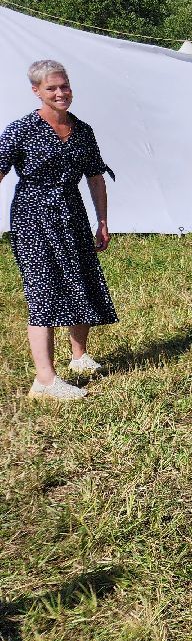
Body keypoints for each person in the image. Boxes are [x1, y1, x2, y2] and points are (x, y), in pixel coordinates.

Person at [0, 60, 117, 400]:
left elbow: (95, 176)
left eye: (64, 86)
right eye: (51, 88)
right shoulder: (21, 129)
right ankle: (45, 380)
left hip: (73, 215)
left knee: (81, 281)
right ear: (36, 91)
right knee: (43, 292)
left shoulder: (83, 131)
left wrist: (103, 220)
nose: (60, 93)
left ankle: (79, 357)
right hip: (32, 219)